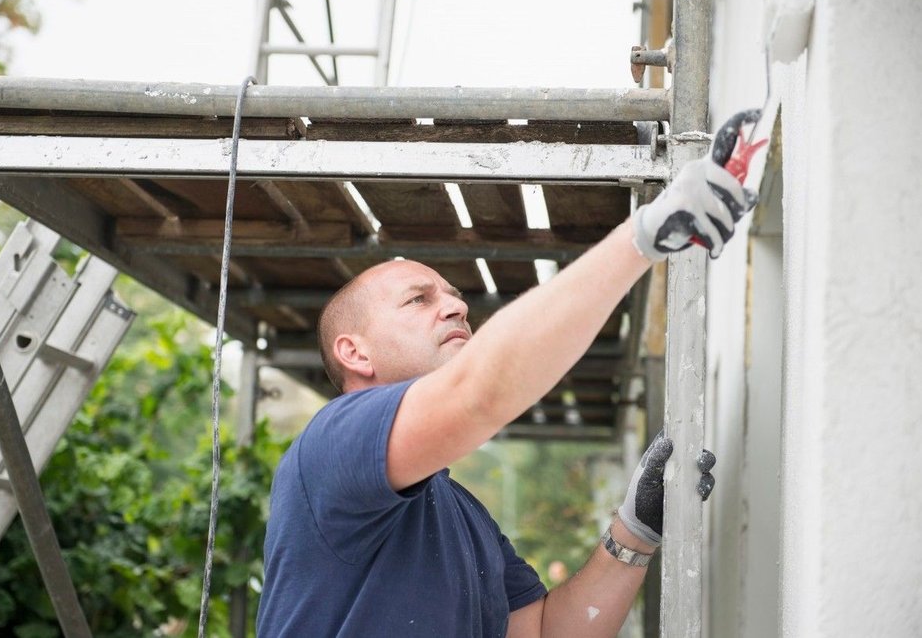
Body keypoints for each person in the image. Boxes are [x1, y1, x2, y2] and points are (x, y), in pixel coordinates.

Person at [255, 113, 754, 637]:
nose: (454, 309)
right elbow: (480, 391)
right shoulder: (335, 443)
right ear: (355, 353)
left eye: (455, 300)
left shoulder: (459, 512)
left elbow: (545, 632)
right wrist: (645, 235)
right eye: (418, 300)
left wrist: (635, 531)